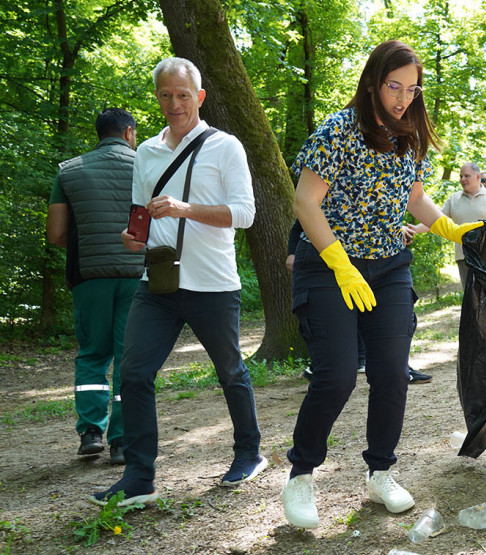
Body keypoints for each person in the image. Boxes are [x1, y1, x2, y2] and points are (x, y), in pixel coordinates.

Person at [279, 40, 482, 529]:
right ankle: (302, 475)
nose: (403, 98)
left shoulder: (409, 136)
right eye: (395, 86)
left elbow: (414, 198)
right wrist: (339, 262)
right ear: (373, 82)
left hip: (390, 267)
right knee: (338, 375)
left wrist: (449, 227)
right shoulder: (337, 130)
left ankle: (381, 473)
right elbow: (304, 204)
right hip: (331, 268)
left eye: (412, 90)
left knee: (392, 373)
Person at [89, 57, 263, 507]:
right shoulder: (145, 152)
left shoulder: (225, 147)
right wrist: (133, 239)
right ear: (157, 98)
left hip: (213, 283)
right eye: (166, 95)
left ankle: (249, 452)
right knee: (133, 372)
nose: (174, 103)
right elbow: (139, 215)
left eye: (183, 95)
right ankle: (139, 475)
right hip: (158, 284)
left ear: (199, 97)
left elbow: (245, 214)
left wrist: (186, 209)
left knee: (230, 372)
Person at [47, 108, 144, 463]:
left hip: (89, 277)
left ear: (99, 133)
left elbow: (56, 233)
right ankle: (121, 441)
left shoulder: (69, 170)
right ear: (129, 133)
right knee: (128, 357)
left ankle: (90, 433)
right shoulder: (146, 166)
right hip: (137, 276)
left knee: (92, 355)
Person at [287, 219, 432, 384]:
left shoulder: (386, 200)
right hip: (329, 268)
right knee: (342, 328)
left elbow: (374, 219)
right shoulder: (326, 197)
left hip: (378, 264)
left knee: (383, 324)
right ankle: (321, 368)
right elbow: (301, 223)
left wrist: (396, 229)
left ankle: (397, 368)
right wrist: (292, 253)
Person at [440, 162, 486, 286]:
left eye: (467, 176)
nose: (462, 179)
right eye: (461, 176)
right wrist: (414, 229)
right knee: (470, 297)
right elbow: (435, 220)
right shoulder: (453, 199)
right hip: (464, 257)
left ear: (478, 177)